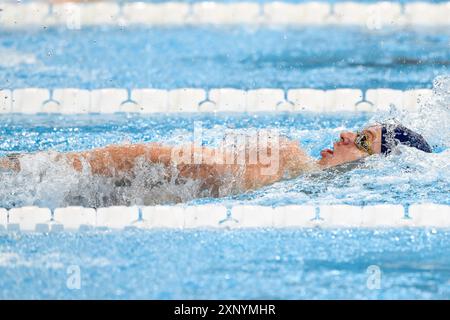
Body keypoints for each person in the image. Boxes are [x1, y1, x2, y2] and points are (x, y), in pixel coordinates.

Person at [0, 122, 432, 198]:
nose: (343, 134)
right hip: (126, 169)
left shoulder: (294, 173)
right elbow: (163, 158)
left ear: (375, 167)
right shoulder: (286, 156)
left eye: (361, 139)